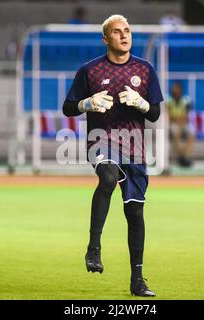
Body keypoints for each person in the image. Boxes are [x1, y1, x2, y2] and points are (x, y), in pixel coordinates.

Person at [62, 14, 163, 297]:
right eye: (117, 32)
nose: (124, 35)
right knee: (106, 178)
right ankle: (94, 247)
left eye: (127, 30)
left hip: (135, 147)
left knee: (134, 212)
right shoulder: (89, 70)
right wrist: (86, 103)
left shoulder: (145, 70)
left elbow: (155, 113)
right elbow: (68, 107)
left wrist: (143, 104)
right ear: (105, 39)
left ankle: (137, 280)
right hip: (101, 141)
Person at [166, 82, 194, 167]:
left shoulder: (185, 100)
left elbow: (187, 115)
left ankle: (183, 156)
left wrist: (181, 123)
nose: (175, 90)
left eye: (177, 89)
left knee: (191, 134)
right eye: (174, 89)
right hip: (172, 123)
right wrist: (176, 121)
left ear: (180, 90)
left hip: (183, 123)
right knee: (176, 132)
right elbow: (167, 115)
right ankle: (182, 158)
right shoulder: (168, 100)